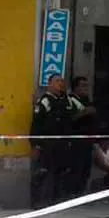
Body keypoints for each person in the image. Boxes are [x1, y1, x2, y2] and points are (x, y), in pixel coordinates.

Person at [30, 72, 84, 208]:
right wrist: (35, 145)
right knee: (43, 172)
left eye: (62, 81)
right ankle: (38, 201)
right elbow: (36, 124)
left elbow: (82, 110)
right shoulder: (45, 101)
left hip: (63, 143)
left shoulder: (66, 100)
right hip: (48, 143)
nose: (60, 84)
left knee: (62, 171)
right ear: (49, 84)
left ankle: (58, 199)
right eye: (57, 81)